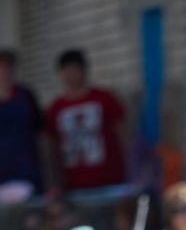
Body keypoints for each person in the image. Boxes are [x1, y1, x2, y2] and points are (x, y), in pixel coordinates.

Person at [45, 49, 126, 193]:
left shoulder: (104, 98)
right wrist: (55, 182)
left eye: (74, 70)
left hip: (110, 182)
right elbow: (52, 148)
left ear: (83, 70)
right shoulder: (55, 108)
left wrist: (130, 170)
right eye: (66, 71)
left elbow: (124, 134)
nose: (71, 75)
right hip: (73, 187)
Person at [0, 49, 44, 194]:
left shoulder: (26, 97)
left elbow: (42, 136)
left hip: (27, 176)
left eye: (8, 68)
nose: (4, 73)